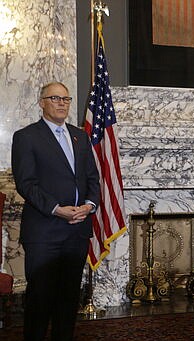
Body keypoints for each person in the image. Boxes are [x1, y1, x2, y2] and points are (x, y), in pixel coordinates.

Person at [11, 82, 100, 341]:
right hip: (44, 232)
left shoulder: (80, 136)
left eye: (66, 99)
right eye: (55, 98)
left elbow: (92, 179)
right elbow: (26, 183)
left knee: (68, 298)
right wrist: (57, 209)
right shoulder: (26, 137)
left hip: (78, 230)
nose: (61, 103)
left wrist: (89, 205)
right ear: (42, 102)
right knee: (40, 298)